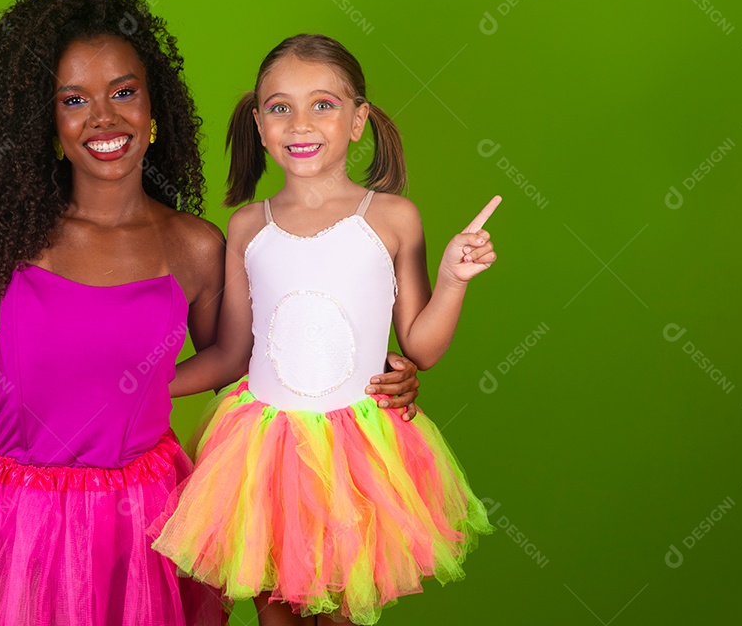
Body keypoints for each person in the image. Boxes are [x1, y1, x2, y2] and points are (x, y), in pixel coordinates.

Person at [0, 0, 419, 625]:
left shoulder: (196, 248)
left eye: (124, 92)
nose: (103, 117)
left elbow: (250, 370)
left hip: (150, 526)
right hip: (21, 530)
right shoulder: (6, 240)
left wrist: (371, 389)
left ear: (154, 108)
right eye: (73, 100)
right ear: (47, 119)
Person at [151, 34, 498, 625]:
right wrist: (141, 385)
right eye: (280, 107)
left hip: (359, 451)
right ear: (259, 126)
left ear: (359, 120)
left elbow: (421, 346)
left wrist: (453, 278)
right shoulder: (244, 227)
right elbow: (233, 352)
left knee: (342, 610)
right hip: (263, 448)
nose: (300, 122)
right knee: (275, 614)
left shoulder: (392, 218)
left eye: (324, 104)